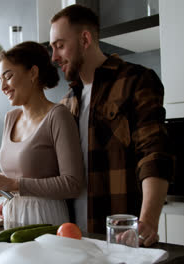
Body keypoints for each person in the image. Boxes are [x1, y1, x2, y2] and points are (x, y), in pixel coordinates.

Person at [49, 4, 174, 247]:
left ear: (85, 39)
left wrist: (147, 221)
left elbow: (154, 154)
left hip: (121, 237)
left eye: (60, 46)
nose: (54, 57)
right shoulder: (65, 104)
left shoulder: (136, 80)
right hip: (73, 237)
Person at [0, 41, 84, 227]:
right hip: (13, 217)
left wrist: (13, 184)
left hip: (45, 220)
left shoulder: (58, 116)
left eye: (8, 76)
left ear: (33, 73)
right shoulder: (11, 118)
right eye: (0, 79)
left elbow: (72, 184)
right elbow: (18, 177)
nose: (2, 87)